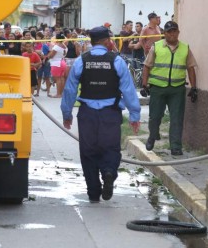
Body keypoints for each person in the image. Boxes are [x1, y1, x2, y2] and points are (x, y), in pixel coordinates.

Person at [61, 26, 141, 203]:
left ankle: (93, 192)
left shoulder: (81, 61)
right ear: (106, 41)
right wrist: (134, 115)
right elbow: (128, 90)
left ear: (91, 41)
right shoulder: (117, 61)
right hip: (110, 114)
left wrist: (67, 113)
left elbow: (70, 90)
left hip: (87, 114)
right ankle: (109, 172)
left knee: (88, 152)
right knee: (110, 148)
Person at [142, 21, 197, 156]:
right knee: (155, 116)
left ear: (178, 32)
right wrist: (144, 84)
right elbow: (147, 66)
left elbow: (190, 68)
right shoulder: (157, 46)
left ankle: (176, 146)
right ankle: (152, 136)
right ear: (164, 33)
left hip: (177, 89)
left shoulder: (185, 48)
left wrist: (194, 87)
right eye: (169, 32)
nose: (172, 34)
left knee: (177, 118)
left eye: (174, 31)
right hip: (158, 88)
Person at [47, 33, 67, 98]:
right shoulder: (65, 46)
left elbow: (51, 55)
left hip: (56, 63)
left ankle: (58, 94)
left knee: (58, 79)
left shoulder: (56, 46)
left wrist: (47, 56)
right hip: (62, 61)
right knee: (62, 78)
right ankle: (62, 93)